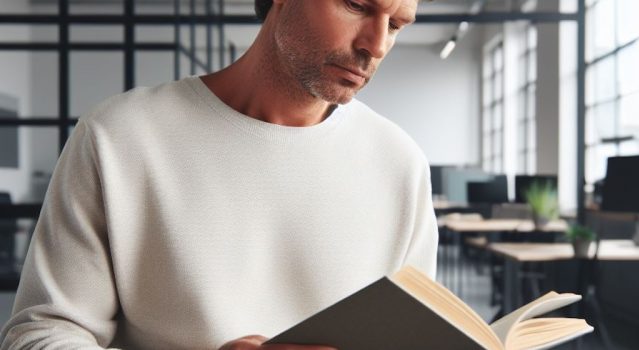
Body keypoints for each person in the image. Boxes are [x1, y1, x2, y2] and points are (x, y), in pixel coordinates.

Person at [0, 0, 437, 349]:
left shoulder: (400, 163)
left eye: (397, 25)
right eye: (357, 6)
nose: (376, 45)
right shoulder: (119, 136)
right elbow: (38, 335)